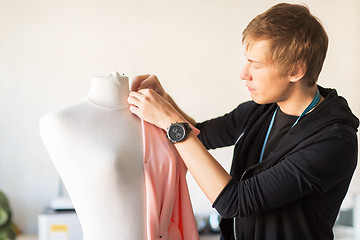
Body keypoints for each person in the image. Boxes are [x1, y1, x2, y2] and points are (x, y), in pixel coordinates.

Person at [127, 3, 359, 240]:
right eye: (247, 60)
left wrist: (170, 122)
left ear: (296, 71)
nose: (243, 73)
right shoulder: (262, 110)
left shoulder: (334, 141)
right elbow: (201, 135)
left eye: (256, 65)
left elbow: (235, 201)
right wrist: (166, 103)